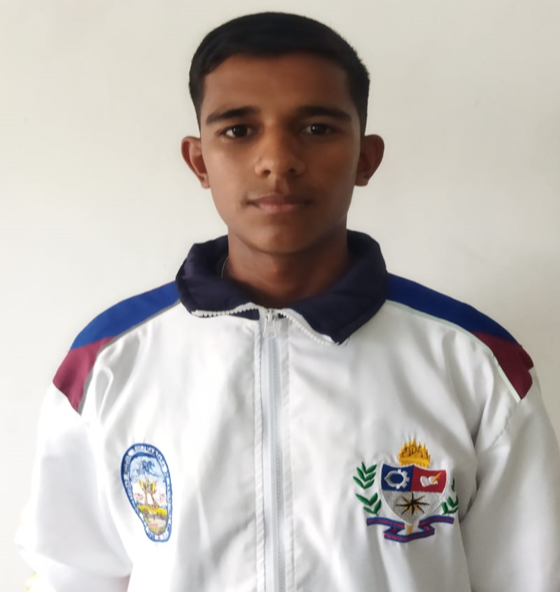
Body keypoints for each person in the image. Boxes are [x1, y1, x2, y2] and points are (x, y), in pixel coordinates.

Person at [16, 11, 560, 592]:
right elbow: (70, 576)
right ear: (199, 161)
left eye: (317, 128)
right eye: (238, 130)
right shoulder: (107, 362)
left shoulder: (476, 363)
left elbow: (529, 577)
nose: (277, 160)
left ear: (366, 158)